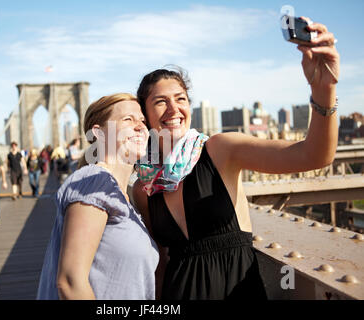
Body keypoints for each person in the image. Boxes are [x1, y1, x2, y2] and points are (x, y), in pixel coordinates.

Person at [132, 17, 339, 300]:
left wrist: (323, 90)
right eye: (160, 101)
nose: (173, 109)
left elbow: (314, 155)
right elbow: (159, 263)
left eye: (180, 99)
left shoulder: (221, 150)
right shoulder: (143, 187)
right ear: (145, 115)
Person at [37, 93, 159, 300]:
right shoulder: (94, 181)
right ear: (99, 133)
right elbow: (70, 282)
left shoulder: (122, 196)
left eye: (143, 121)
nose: (140, 127)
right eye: (128, 119)